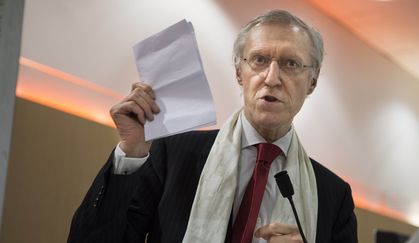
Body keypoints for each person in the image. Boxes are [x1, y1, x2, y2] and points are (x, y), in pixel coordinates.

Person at [68, 9, 358, 243]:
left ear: (312, 82)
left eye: (291, 64)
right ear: (239, 73)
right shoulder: (172, 154)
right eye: (259, 60)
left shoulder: (333, 194)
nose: (271, 78)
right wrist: (130, 155)